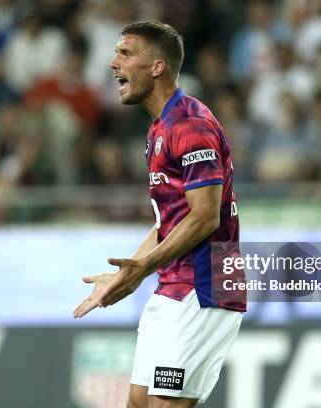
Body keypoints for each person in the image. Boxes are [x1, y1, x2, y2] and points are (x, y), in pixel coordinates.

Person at [73, 21, 246, 408]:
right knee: (137, 402)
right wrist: (130, 270)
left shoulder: (191, 125)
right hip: (174, 284)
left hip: (206, 284)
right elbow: (170, 221)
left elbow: (205, 218)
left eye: (125, 53)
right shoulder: (159, 130)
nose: (113, 62)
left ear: (156, 67)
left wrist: (142, 268)